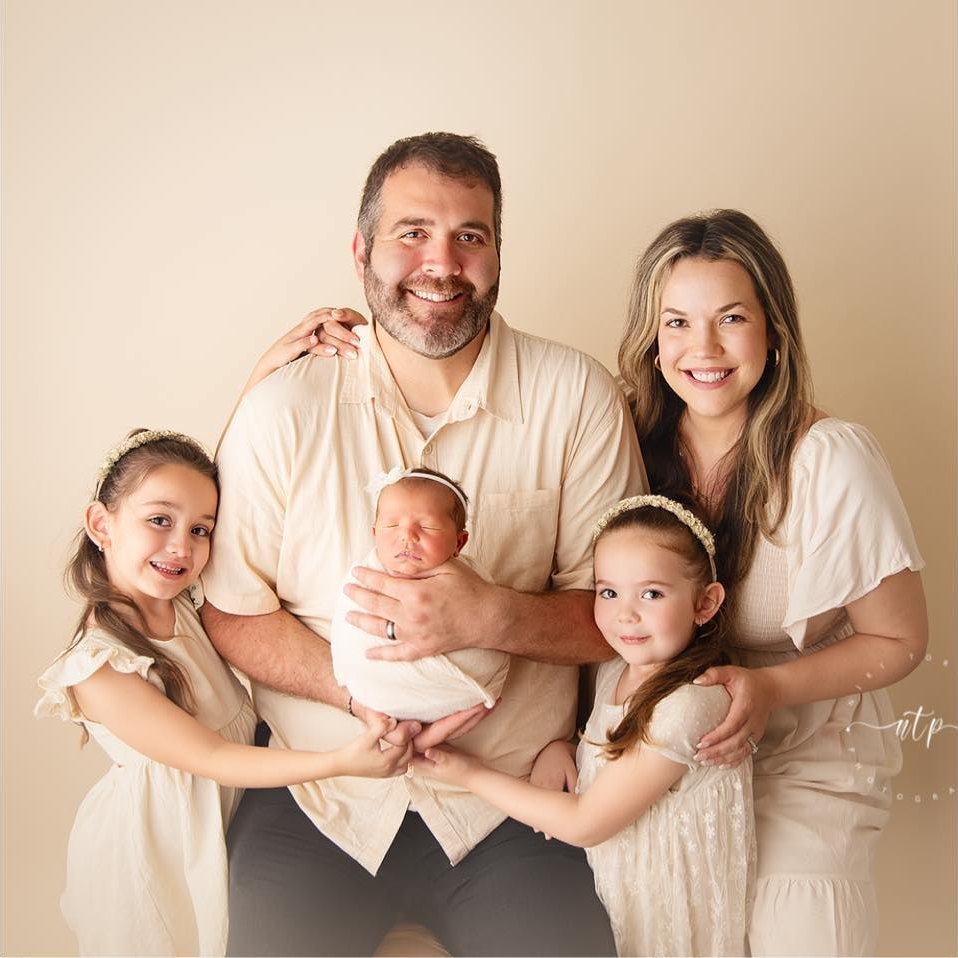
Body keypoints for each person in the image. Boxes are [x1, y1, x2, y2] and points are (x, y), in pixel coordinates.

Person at [200, 131, 644, 956]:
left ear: (498, 253)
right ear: (361, 251)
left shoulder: (576, 396)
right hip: (318, 795)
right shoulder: (284, 407)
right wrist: (357, 696)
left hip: (511, 804)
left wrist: (490, 616)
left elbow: (624, 616)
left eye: (470, 236)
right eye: (412, 233)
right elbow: (230, 610)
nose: (442, 263)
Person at [616, 209, 927, 955]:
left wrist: (771, 688)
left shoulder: (830, 459)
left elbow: (901, 640)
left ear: (774, 331)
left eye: (731, 318)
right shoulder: (624, 444)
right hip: (668, 762)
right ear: (653, 339)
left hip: (804, 761)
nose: (704, 349)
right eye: (678, 323)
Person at [35, 429, 413, 957]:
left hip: (227, 817)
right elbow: (213, 757)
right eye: (159, 520)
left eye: (200, 529)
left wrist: (263, 382)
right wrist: (341, 762)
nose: (181, 546)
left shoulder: (186, 603)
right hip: (162, 849)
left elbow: (232, 452)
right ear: (102, 524)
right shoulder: (101, 666)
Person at [417, 494, 756, 957]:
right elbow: (613, 756)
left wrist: (468, 773)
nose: (625, 614)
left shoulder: (690, 704)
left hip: (665, 915)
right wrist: (563, 747)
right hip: (617, 893)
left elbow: (585, 823)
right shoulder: (617, 671)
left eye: (652, 594)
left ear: (705, 603)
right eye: (608, 592)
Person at [331, 466, 509, 722]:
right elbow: (347, 634)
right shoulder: (363, 575)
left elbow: (489, 618)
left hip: (459, 694)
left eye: (427, 526)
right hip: (373, 695)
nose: (407, 535)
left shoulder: (471, 580)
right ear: (374, 534)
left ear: (459, 542)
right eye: (392, 525)